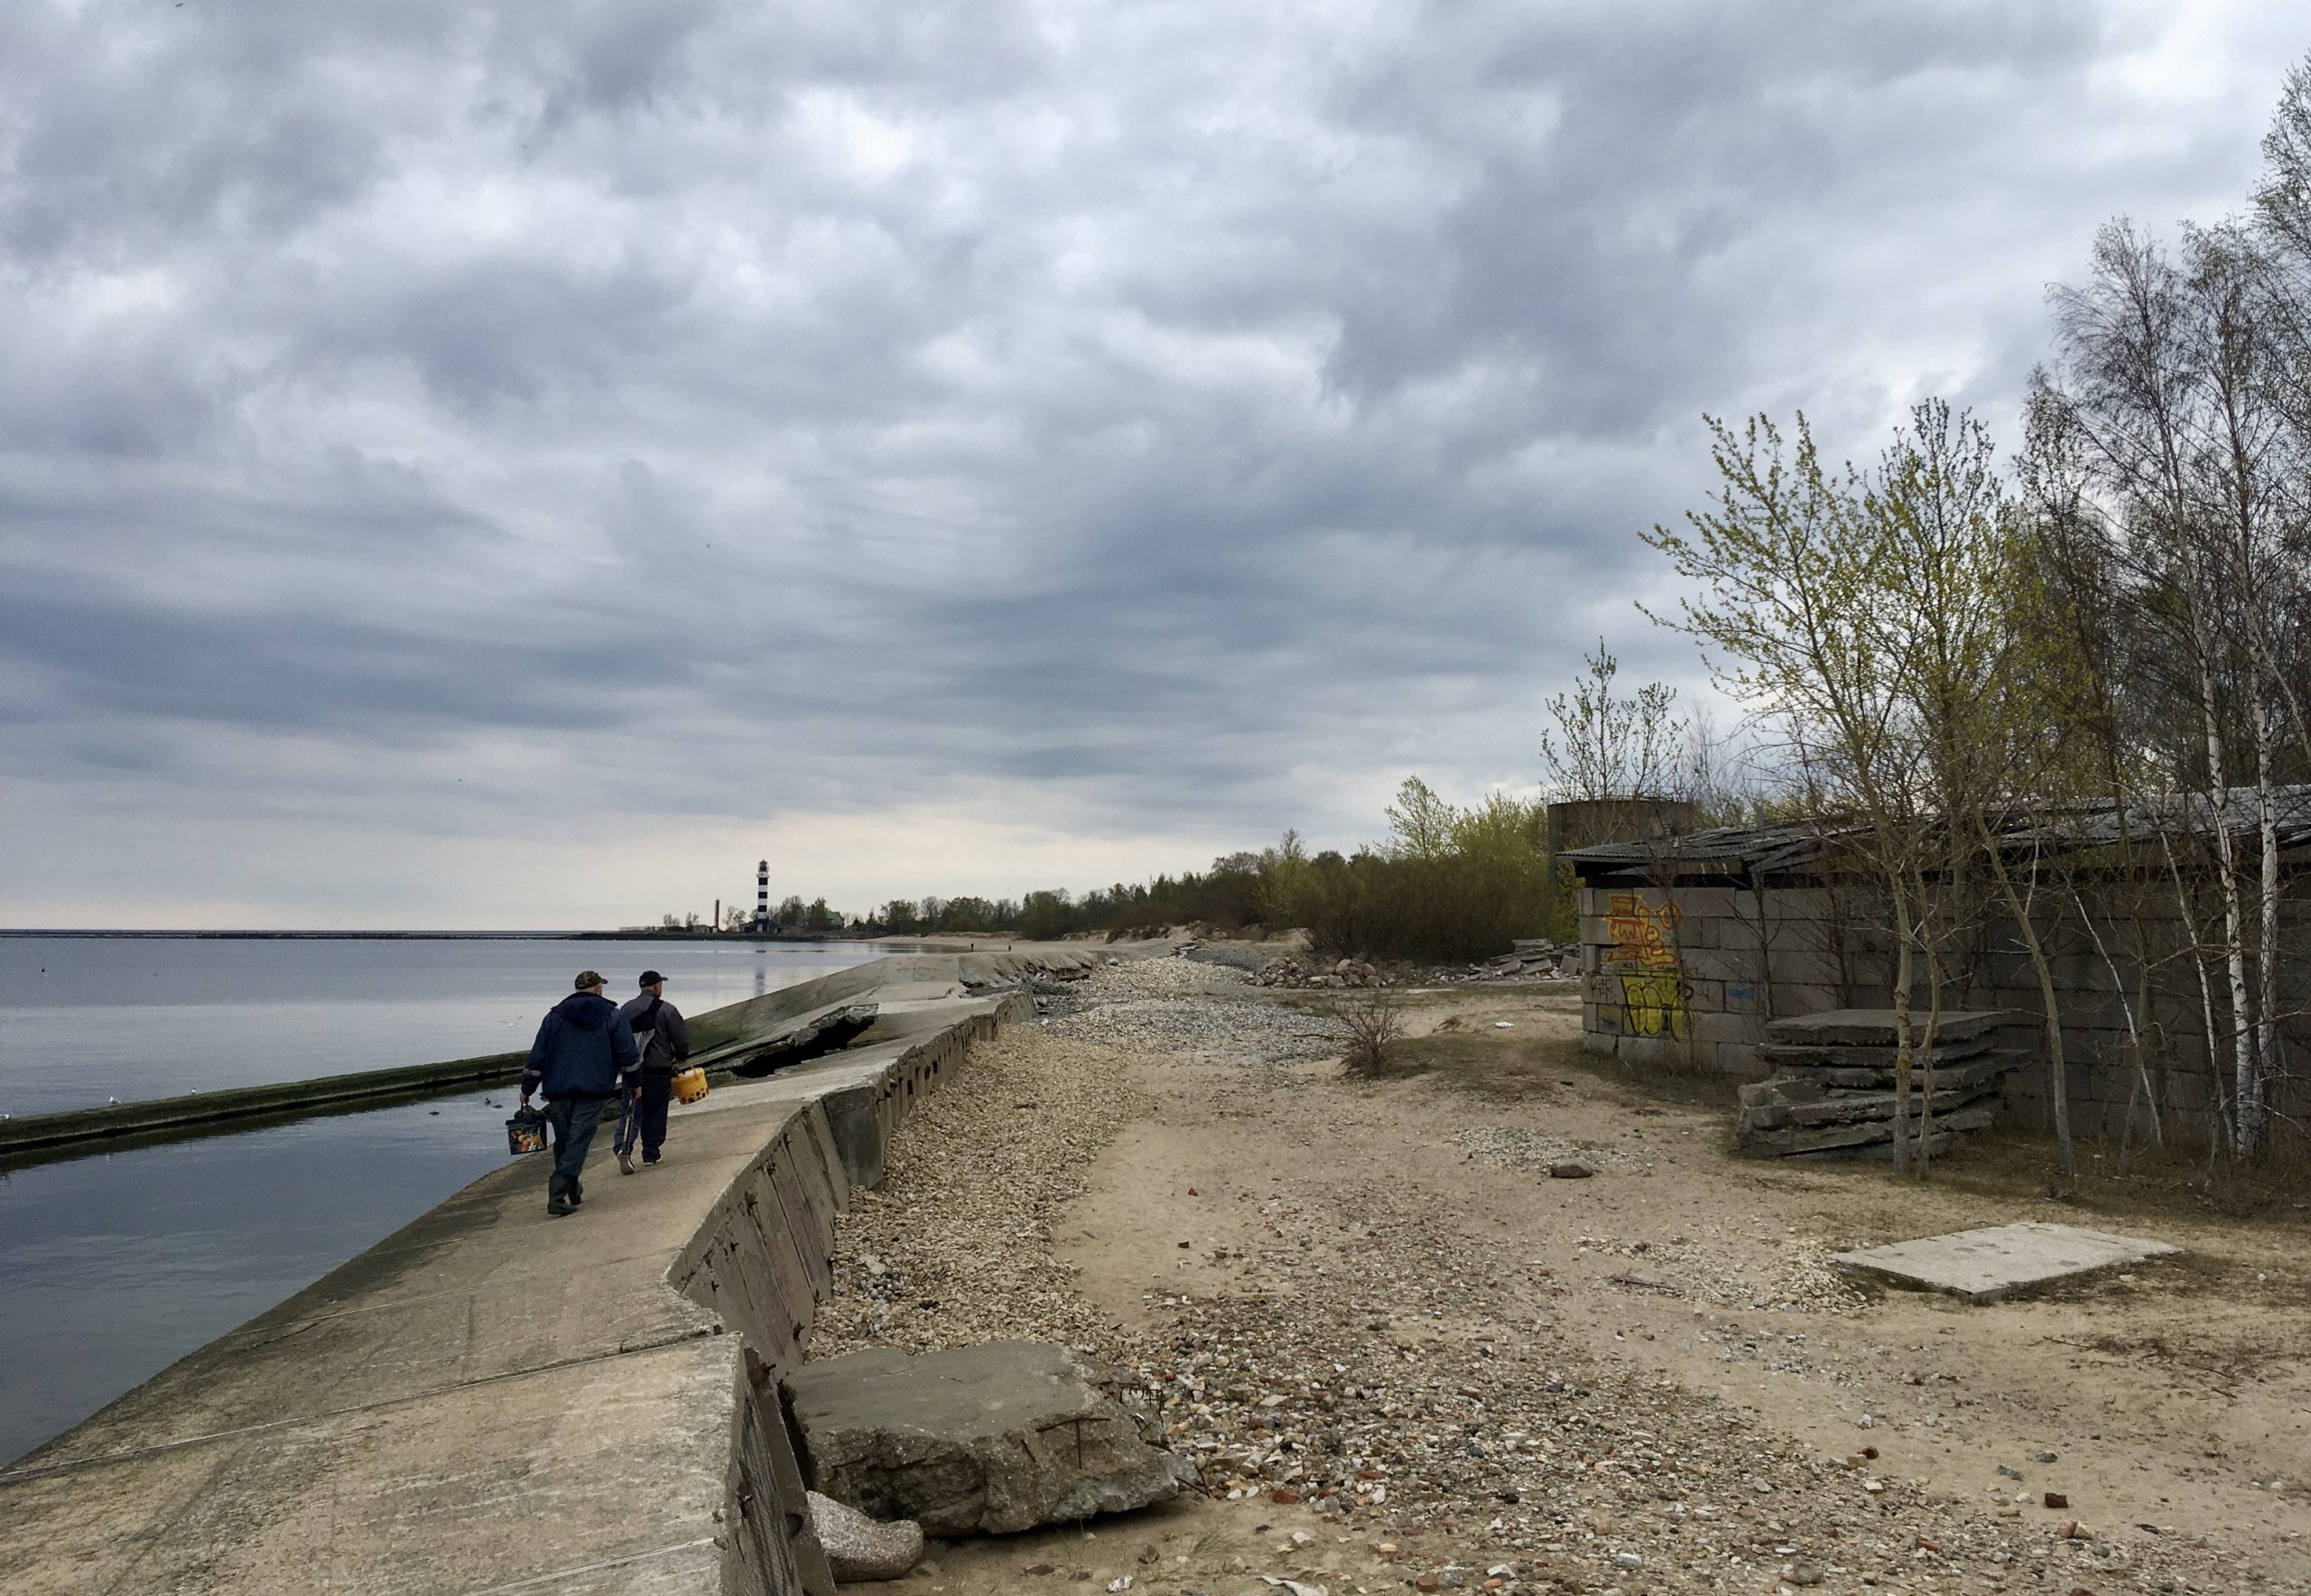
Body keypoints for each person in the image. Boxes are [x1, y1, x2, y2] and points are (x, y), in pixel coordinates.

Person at [521, 970, 639, 1217]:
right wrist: (635, 1083)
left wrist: (526, 1088)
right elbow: (627, 1053)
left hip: (557, 1091)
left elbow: (538, 1055)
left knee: (564, 1143)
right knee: (577, 1143)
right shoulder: (612, 1016)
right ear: (597, 989)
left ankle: (573, 1190)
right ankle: (557, 1195)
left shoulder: (554, 1017)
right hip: (592, 1090)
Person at [615, 969, 691, 1173]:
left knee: (630, 1111)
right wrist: (682, 1055)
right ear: (657, 986)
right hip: (658, 1069)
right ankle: (651, 1152)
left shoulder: (625, 1009)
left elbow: (618, 1039)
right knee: (655, 1112)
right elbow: (680, 1039)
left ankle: (623, 1147)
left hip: (632, 1071)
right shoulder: (667, 1010)